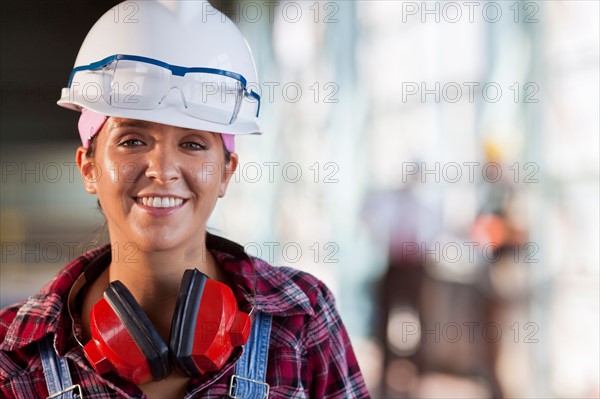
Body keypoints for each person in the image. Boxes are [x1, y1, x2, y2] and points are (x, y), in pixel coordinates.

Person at [0, 1, 369, 398]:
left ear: (227, 171)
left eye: (193, 144)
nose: (163, 169)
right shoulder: (15, 356)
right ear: (88, 168)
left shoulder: (302, 317)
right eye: (132, 140)